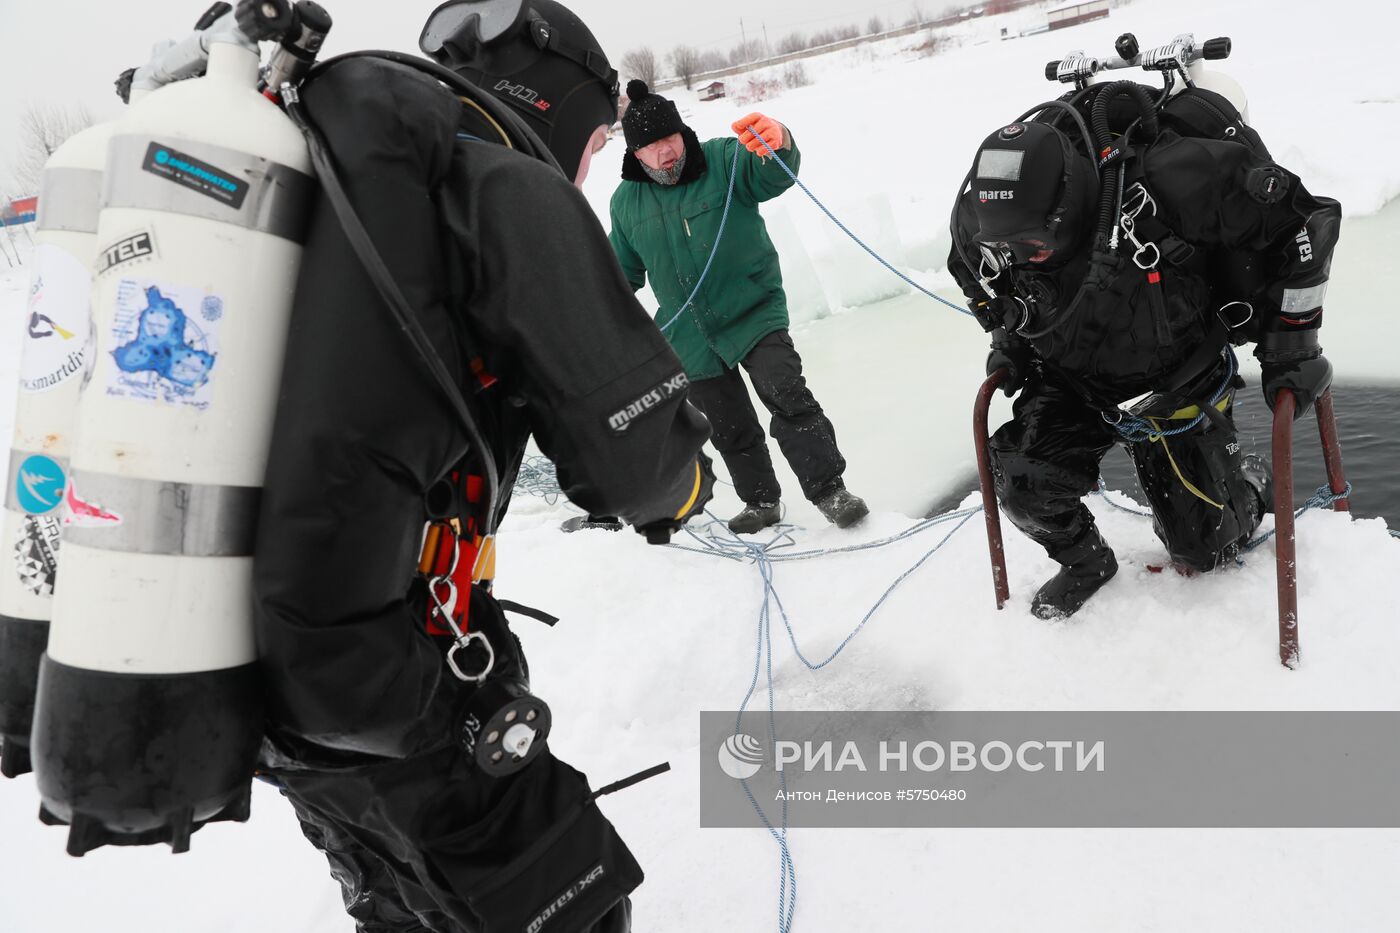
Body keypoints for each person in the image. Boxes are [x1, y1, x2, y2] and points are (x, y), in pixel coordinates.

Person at [253, 2, 714, 931]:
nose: (587, 165)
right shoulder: (490, 174)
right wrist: (683, 484)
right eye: (592, 139)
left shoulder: (321, 161)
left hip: (241, 663)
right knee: (558, 903)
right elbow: (631, 460)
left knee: (400, 890)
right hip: (395, 663)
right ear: (557, 100)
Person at [948, 78, 1340, 619]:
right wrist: (1008, 339)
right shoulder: (981, 221)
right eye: (1008, 248)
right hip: (1071, 377)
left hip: (1175, 378)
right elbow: (981, 282)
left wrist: (1293, 341)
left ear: (1069, 201)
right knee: (1022, 489)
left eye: (1033, 245)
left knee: (1207, 552)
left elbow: (1305, 225)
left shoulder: (1176, 180)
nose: (1023, 259)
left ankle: (1250, 482)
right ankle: (1087, 562)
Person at [607, 80, 869, 534]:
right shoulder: (625, 202)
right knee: (728, 425)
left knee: (786, 393)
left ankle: (830, 490)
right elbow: (619, 273)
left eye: (668, 138)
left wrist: (777, 140)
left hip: (753, 311)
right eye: (650, 146)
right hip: (688, 334)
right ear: (635, 154)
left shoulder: (723, 160)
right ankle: (761, 501)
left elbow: (770, 172)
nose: (664, 152)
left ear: (681, 133)